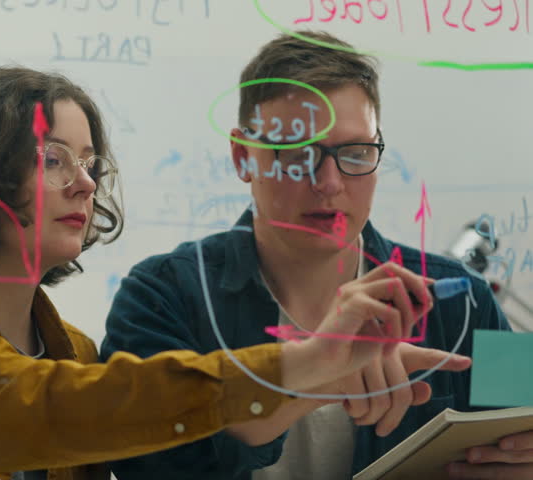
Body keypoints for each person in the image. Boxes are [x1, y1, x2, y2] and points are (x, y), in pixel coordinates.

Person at [0, 66, 455, 480]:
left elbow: (512, 385)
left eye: (355, 152)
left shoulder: (455, 287)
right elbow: (77, 414)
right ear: (245, 159)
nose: (85, 182)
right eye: (52, 158)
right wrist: (310, 367)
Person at [100, 31, 530, 480]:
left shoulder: (466, 299)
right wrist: (307, 380)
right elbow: (147, 466)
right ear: (243, 156)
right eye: (298, 153)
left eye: (356, 153)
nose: (328, 182)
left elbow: (524, 416)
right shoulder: (161, 297)